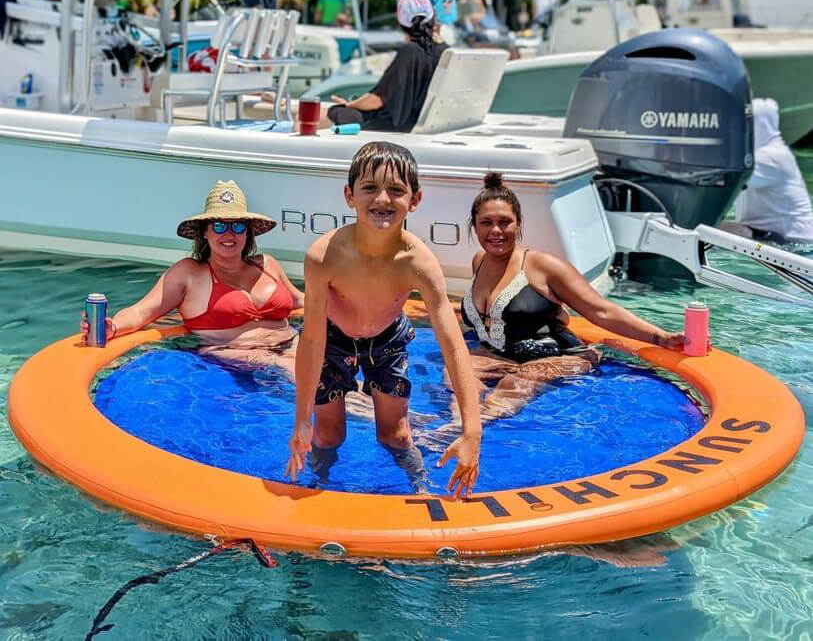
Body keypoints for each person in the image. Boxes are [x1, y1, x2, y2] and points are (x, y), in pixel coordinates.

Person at [285, 142, 482, 497]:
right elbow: (312, 338)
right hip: (333, 340)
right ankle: (320, 488)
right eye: (370, 188)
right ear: (350, 195)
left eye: (396, 190)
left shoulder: (418, 262)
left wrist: (472, 431)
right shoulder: (323, 255)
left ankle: (420, 489)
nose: (382, 200)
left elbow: (452, 343)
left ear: (415, 199)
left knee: (396, 434)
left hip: (389, 340)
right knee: (328, 434)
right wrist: (301, 421)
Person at [461, 172, 685, 421]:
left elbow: (601, 310)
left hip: (558, 358)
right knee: (457, 374)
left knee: (516, 383)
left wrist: (660, 337)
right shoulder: (478, 262)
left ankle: (456, 434)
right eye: (486, 222)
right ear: (474, 225)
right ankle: (450, 426)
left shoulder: (541, 265)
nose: (496, 231)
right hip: (501, 355)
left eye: (505, 222)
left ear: (519, 223)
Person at [82, 181, 303, 370]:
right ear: (204, 232)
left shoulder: (267, 265)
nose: (229, 233)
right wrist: (113, 328)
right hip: (237, 357)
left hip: (292, 344)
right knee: (300, 374)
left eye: (237, 226)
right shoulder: (189, 273)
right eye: (218, 226)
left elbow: (301, 301)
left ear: (247, 232)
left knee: (322, 372)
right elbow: (141, 312)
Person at [326, 0, 446, 132]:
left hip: (395, 126)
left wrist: (348, 104)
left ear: (402, 24)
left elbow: (376, 100)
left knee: (337, 111)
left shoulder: (409, 51)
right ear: (432, 19)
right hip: (420, 123)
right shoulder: (444, 51)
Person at [731, 97, 813, 243]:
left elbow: (725, 176)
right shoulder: (770, 153)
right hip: (771, 235)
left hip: (792, 242)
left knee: (709, 228)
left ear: (757, 124)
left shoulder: (772, 156)